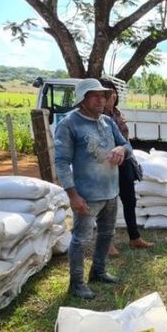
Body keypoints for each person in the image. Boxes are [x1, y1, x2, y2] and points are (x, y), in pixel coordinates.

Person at [55, 78, 133, 299]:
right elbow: (61, 161)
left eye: (103, 95)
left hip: (110, 191)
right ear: (83, 99)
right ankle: (77, 283)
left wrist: (120, 148)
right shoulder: (70, 124)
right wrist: (73, 195)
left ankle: (98, 271)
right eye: (96, 95)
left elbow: (128, 147)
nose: (102, 99)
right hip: (86, 196)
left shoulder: (107, 122)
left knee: (107, 234)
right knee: (81, 239)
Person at [98, 78, 153, 255]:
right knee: (108, 204)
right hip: (107, 165)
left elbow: (125, 141)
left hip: (125, 162)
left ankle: (135, 237)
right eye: (107, 92)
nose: (112, 94)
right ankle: (107, 243)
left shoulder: (117, 113)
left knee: (129, 200)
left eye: (113, 91)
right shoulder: (98, 117)